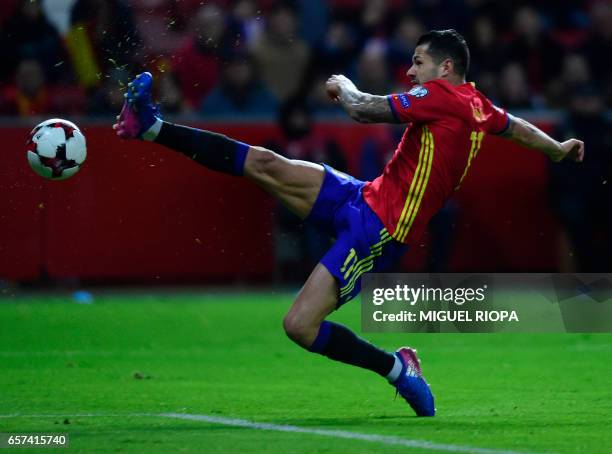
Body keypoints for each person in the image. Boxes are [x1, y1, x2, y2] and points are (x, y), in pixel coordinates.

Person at [113, 29, 584, 417]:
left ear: (444, 68)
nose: (410, 71)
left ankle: (397, 369)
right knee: (265, 162)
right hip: (364, 195)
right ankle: (151, 127)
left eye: (418, 62)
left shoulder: (442, 96)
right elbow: (516, 126)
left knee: (299, 325)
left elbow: (362, 110)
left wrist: (343, 85)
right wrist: (557, 148)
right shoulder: (477, 104)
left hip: (380, 230)